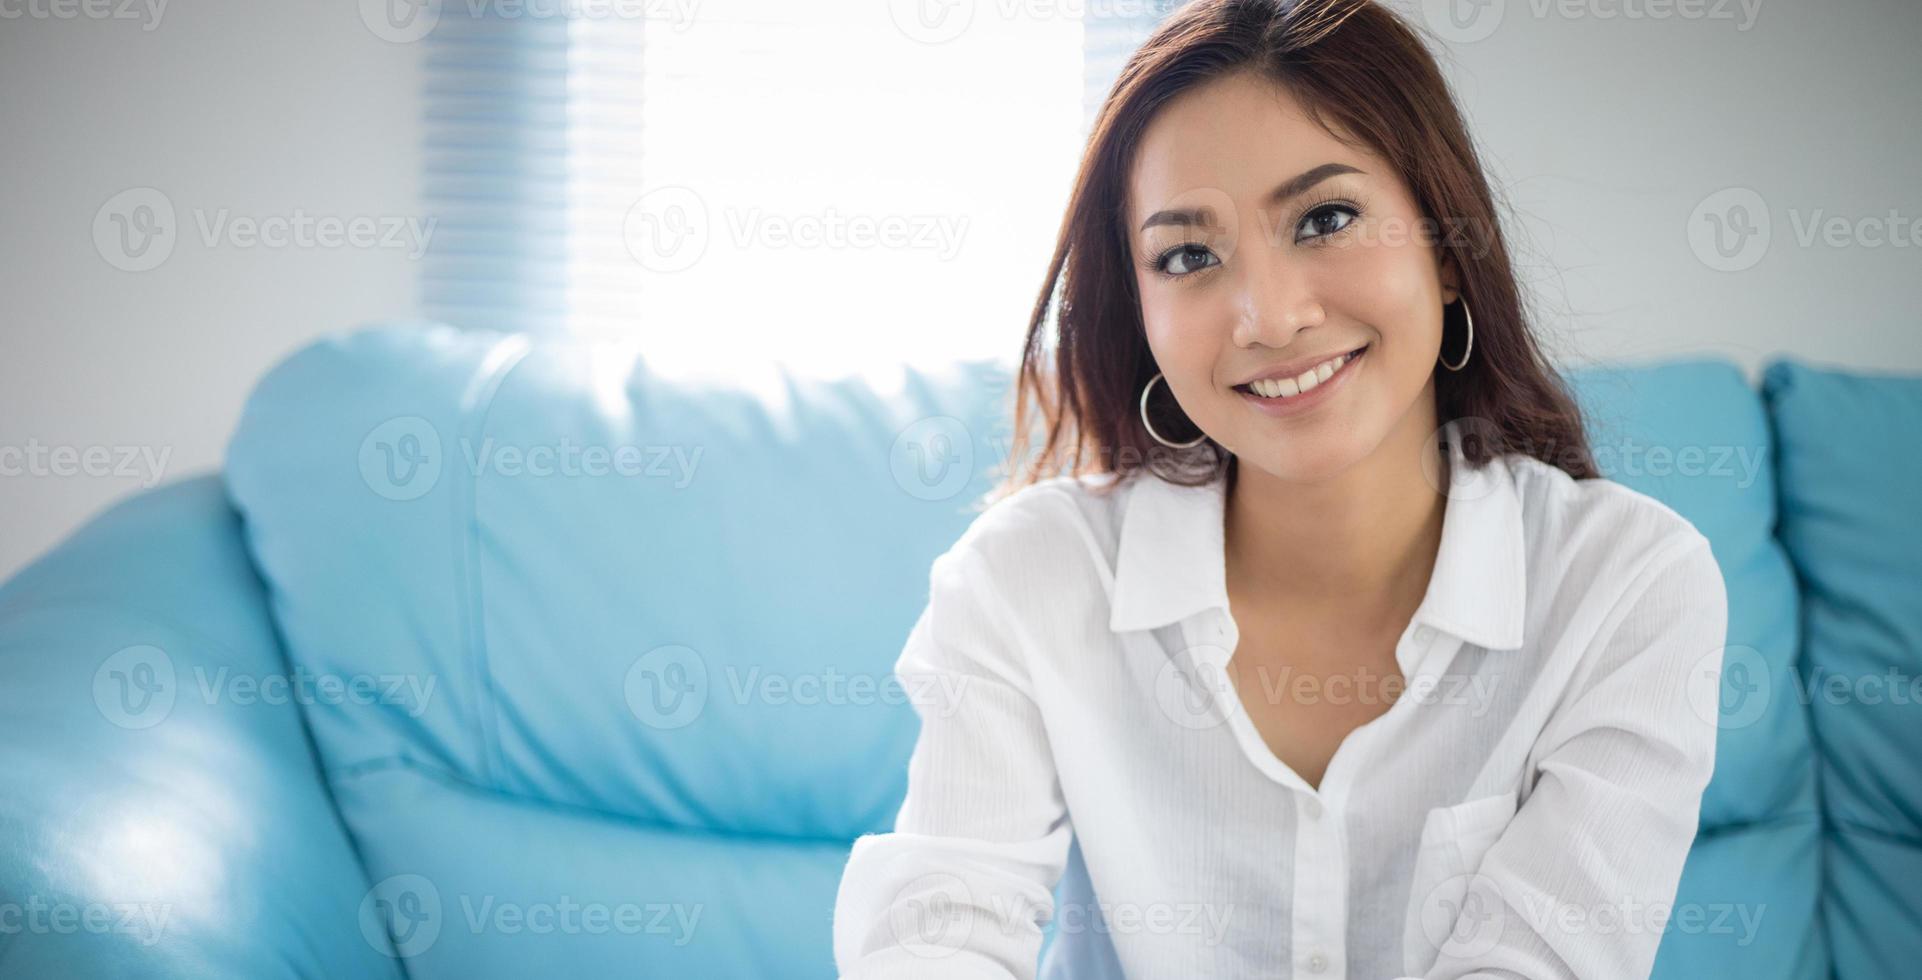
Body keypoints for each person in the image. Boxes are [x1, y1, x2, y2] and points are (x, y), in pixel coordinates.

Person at [834, 0, 1727, 976]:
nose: (1267, 316)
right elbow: (934, 937)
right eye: (1187, 255)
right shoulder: (1026, 578)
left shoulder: (1626, 587)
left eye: (1324, 218)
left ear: (1444, 248)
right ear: (1140, 316)